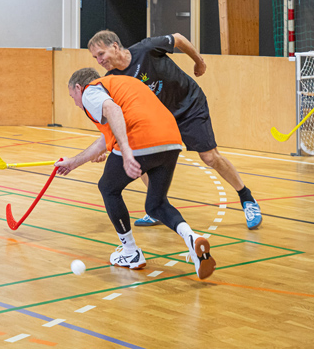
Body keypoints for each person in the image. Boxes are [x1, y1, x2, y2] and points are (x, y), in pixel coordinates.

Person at [87, 30, 262, 229]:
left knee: (210, 157)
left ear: (115, 46)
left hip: (189, 104)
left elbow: (178, 38)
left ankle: (246, 198)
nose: (99, 60)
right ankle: (157, 207)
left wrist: (199, 61)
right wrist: (107, 147)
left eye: (101, 54)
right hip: (160, 117)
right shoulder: (112, 79)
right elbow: (117, 118)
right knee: (139, 155)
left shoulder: (146, 49)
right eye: (95, 57)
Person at [55, 68, 217, 280]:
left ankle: (130, 252)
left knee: (108, 188)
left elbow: (113, 111)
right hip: (170, 139)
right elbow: (107, 138)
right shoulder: (120, 84)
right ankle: (193, 239)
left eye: (72, 96)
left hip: (139, 140)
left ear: (78, 87)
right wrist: (75, 162)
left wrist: (126, 150)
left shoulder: (90, 91)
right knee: (156, 205)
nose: (76, 102)